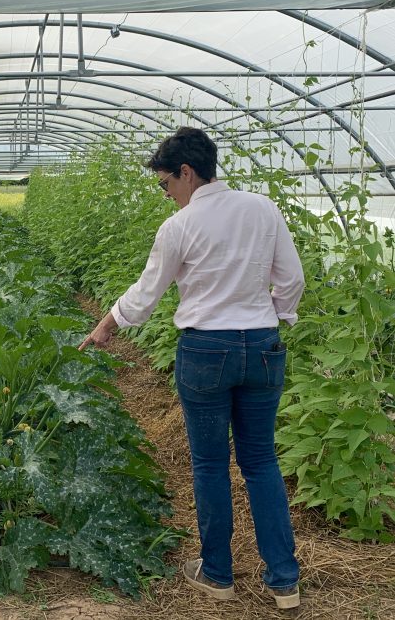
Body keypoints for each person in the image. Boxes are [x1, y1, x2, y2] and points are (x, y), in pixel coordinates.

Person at [79, 127, 304, 610]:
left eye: (166, 185)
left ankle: (218, 574)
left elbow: (146, 292)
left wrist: (106, 327)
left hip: (206, 352)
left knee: (209, 464)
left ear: (186, 172)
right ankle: (284, 580)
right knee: (262, 462)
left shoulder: (181, 226)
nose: (167, 195)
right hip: (263, 347)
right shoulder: (262, 208)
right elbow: (292, 278)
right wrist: (275, 316)